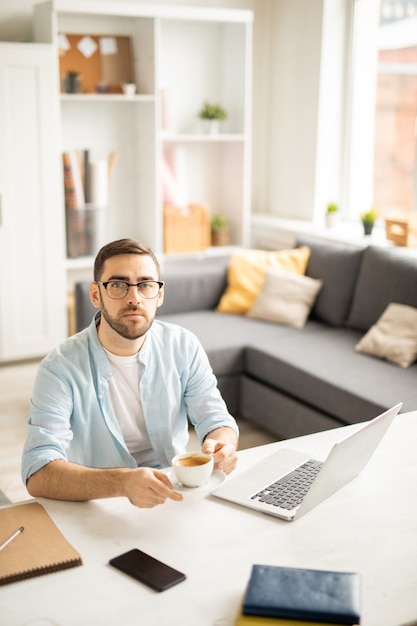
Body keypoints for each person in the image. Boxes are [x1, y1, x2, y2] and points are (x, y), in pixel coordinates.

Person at [22, 238, 238, 508]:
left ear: (158, 294)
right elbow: (38, 473)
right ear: (95, 294)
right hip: (96, 501)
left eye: (146, 285)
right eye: (118, 285)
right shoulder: (59, 368)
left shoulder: (184, 346)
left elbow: (216, 418)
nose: (134, 298)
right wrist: (122, 483)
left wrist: (222, 444)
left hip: (173, 491)